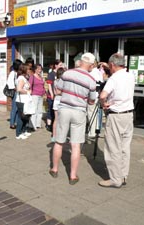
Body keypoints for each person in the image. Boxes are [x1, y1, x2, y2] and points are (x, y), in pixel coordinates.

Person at [49, 53, 97, 185]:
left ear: (80, 61)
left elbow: (58, 90)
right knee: (76, 145)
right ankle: (73, 176)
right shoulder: (91, 80)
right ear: (91, 65)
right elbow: (92, 101)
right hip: (79, 112)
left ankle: (54, 168)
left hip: (64, 109)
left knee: (59, 141)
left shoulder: (67, 73)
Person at [98, 53, 135, 188]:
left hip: (116, 115)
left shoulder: (113, 79)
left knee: (113, 148)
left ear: (113, 65)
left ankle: (115, 179)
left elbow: (103, 95)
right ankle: (123, 175)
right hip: (129, 115)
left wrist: (104, 103)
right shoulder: (130, 76)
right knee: (125, 147)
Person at [87, 60, 104, 138]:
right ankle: (97, 130)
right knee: (96, 114)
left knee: (91, 114)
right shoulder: (99, 72)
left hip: (92, 96)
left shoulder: (91, 73)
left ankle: (91, 132)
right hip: (98, 95)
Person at [15, 64, 32, 140]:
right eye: (28, 69)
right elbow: (19, 89)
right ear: (24, 70)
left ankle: (23, 130)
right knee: (21, 117)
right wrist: (28, 92)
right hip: (21, 101)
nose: (29, 70)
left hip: (25, 100)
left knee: (26, 117)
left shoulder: (24, 77)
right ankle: (18, 133)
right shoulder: (21, 78)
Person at [46, 59, 63, 132]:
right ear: (56, 65)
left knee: (55, 112)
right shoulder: (51, 74)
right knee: (50, 110)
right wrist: (52, 94)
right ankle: (49, 125)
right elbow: (49, 85)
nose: (61, 66)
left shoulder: (60, 73)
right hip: (52, 95)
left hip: (58, 96)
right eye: (60, 65)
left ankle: (54, 125)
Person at [29, 64, 45, 130]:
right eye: (38, 69)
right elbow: (29, 85)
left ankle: (38, 124)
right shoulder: (32, 77)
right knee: (34, 110)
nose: (40, 70)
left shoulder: (41, 77)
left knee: (40, 110)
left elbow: (42, 86)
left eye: (40, 69)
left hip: (41, 95)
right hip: (34, 95)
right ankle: (32, 125)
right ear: (35, 69)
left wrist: (44, 92)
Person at [51, 67, 65, 142]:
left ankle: (54, 136)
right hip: (61, 100)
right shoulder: (63, 82)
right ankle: (61, 136)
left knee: (56, 119)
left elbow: (55, 92)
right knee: (62, 120)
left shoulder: (55, 81)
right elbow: (58, 92)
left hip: (56, 100)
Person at [8, 59, 23, 129]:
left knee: (18, 109)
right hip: (15, 93)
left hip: (19, 92)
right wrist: (16, 89)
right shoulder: (12, 73)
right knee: (14, 108)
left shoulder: (18, 73)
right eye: (20, 65)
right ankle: (12, 123)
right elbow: (10, 83)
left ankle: (16, 122)